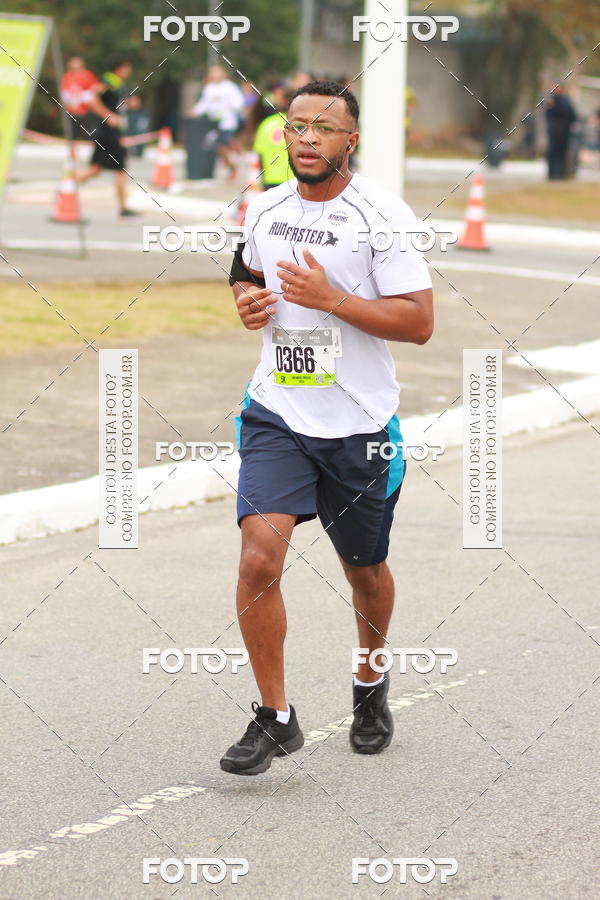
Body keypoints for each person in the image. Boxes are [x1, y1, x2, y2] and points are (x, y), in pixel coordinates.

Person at [221, 81, 434, 776]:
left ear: (350, 140)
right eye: (296, 125)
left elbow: (419, 322)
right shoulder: (265, 206)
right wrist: (247, 302)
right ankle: (275, 715)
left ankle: (370, 681)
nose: (307, 137)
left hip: (359, 425)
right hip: (277, 411)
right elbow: (244, 272)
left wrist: (331, 299)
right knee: (259, 558)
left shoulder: (382, 216)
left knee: (364, 570)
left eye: (324, 127)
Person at [75, 57, 137, 217]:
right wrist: (109, 116)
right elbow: (91, 99)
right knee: (120, 169)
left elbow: (116, 103)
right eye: (127, 67)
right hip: (107, 132)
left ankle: (66, 188)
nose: (129, 71)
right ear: (120, 68)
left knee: (96, 168)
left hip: (109, 132)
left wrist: (130, 104)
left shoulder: (119, 84)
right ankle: (123, 208)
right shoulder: (108, 80)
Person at [190, 65, 244, 180]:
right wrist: (195, 111)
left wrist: (228, 106)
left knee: (223, 146)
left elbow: (238, 103)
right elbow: (204, 104)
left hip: (227, 123)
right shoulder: (209, 88)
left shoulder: (230, 87)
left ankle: (235, 153)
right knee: (218, 148)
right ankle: (232, 165)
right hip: (212, 123)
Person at [250, 81, 290, 189]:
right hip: (292, 180)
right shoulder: (300, 125)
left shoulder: (266, 124)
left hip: (270, 179)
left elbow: (259, 155)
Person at [59, 56, 97, 140]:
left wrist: (81, 97)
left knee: (88, 136)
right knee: (72, 136)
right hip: (72, 112)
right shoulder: (67, 77)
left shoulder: (88, 76)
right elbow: (64, 95)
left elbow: (94, 92)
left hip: (87, 112)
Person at [545, 84, 577, 180]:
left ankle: (562, 173)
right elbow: (548, 115)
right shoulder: (551, 101)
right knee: (552, 153)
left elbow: (571, 115)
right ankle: (553, 173)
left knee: (562, 153)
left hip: (564, 132)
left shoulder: (565, 101)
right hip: (554, 132)